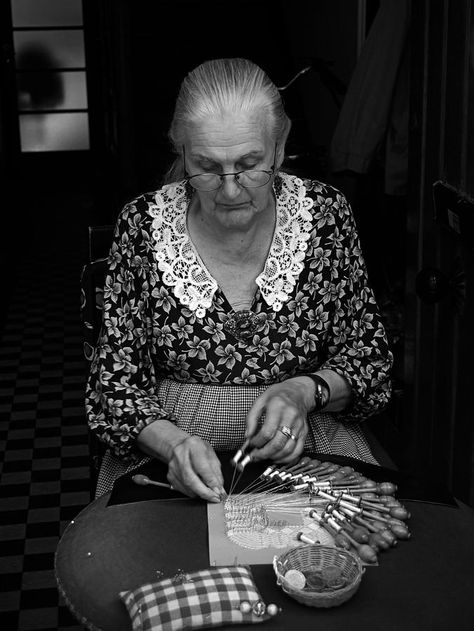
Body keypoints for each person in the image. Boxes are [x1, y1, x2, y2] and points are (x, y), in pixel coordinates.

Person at [86, 57, 393, 502]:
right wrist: (174, 444)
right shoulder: (143, 225)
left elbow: (370, 361)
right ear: (181, 152)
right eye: (207, 167)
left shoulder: (326, 214)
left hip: (308, 438)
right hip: (171, 448)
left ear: (280, 149)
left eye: (250, 164)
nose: (230, 190)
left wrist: (303, 391)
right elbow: (115, 386)